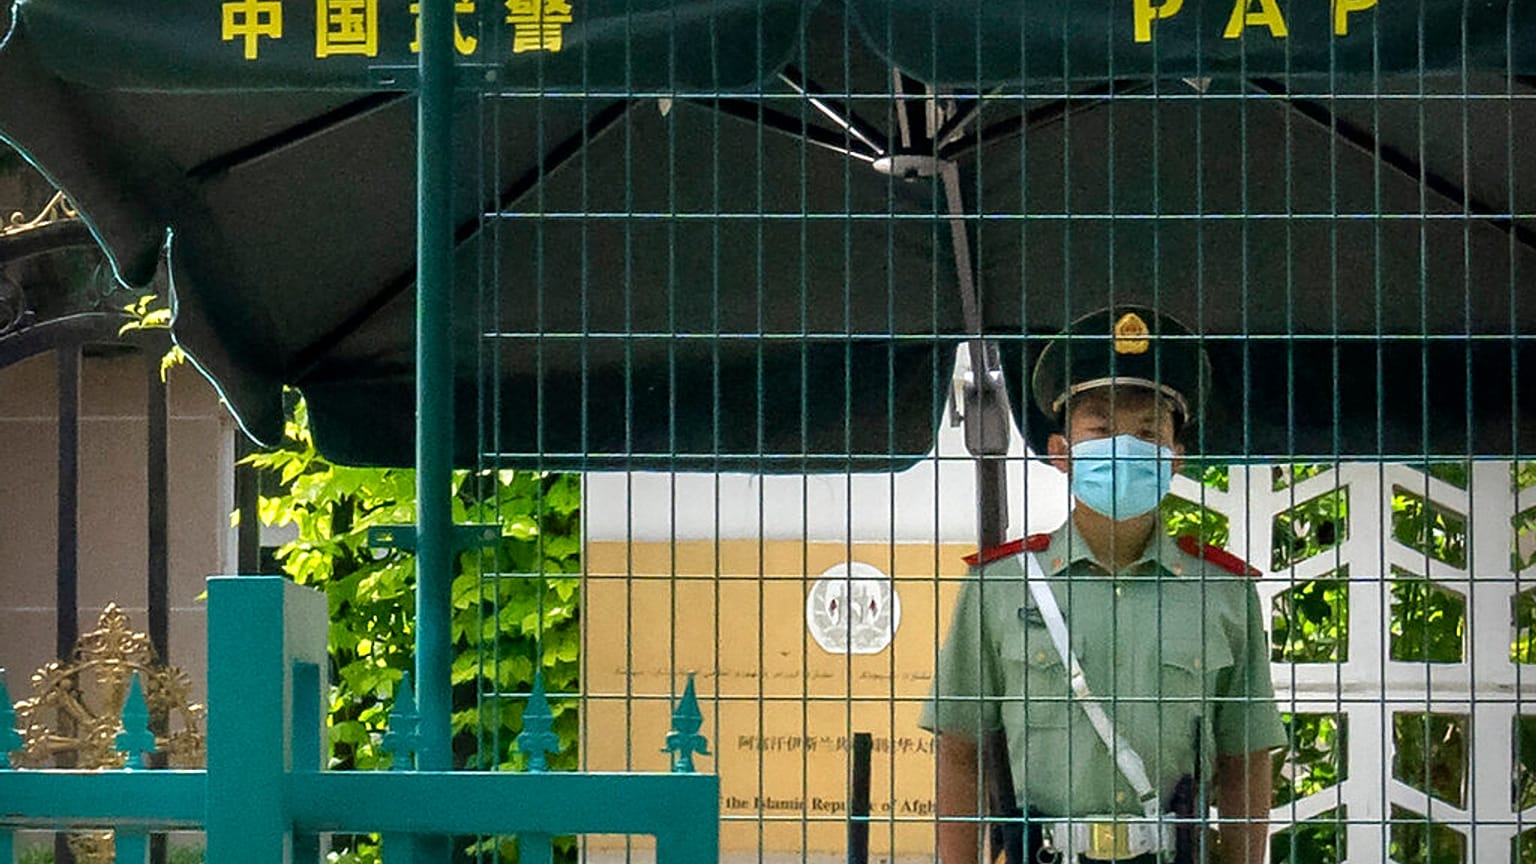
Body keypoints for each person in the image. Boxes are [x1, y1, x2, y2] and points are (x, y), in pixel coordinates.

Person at [922, 307, 1286, 864]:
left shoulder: (1223, 594)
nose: (1125, 445)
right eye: (1100, 427)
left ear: (1174, 459)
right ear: (1061, 453)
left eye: (1147, 431)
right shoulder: (1001, 585)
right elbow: (959, 748)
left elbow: (1246, 759)